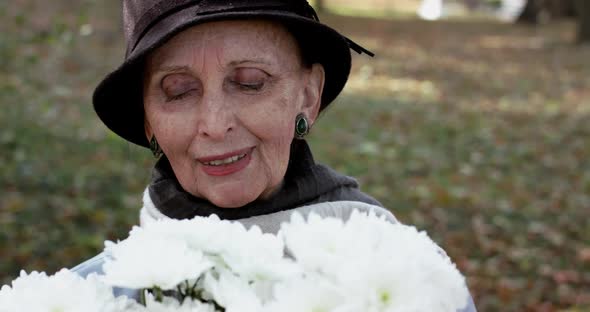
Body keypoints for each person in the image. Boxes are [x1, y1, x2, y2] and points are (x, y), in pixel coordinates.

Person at [72, 0, 477, 310]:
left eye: (250, 83)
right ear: (148, 121)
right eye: (178, 91)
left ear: (307, 95)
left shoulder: (411, 277)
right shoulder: (87, 296)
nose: (215, 123)